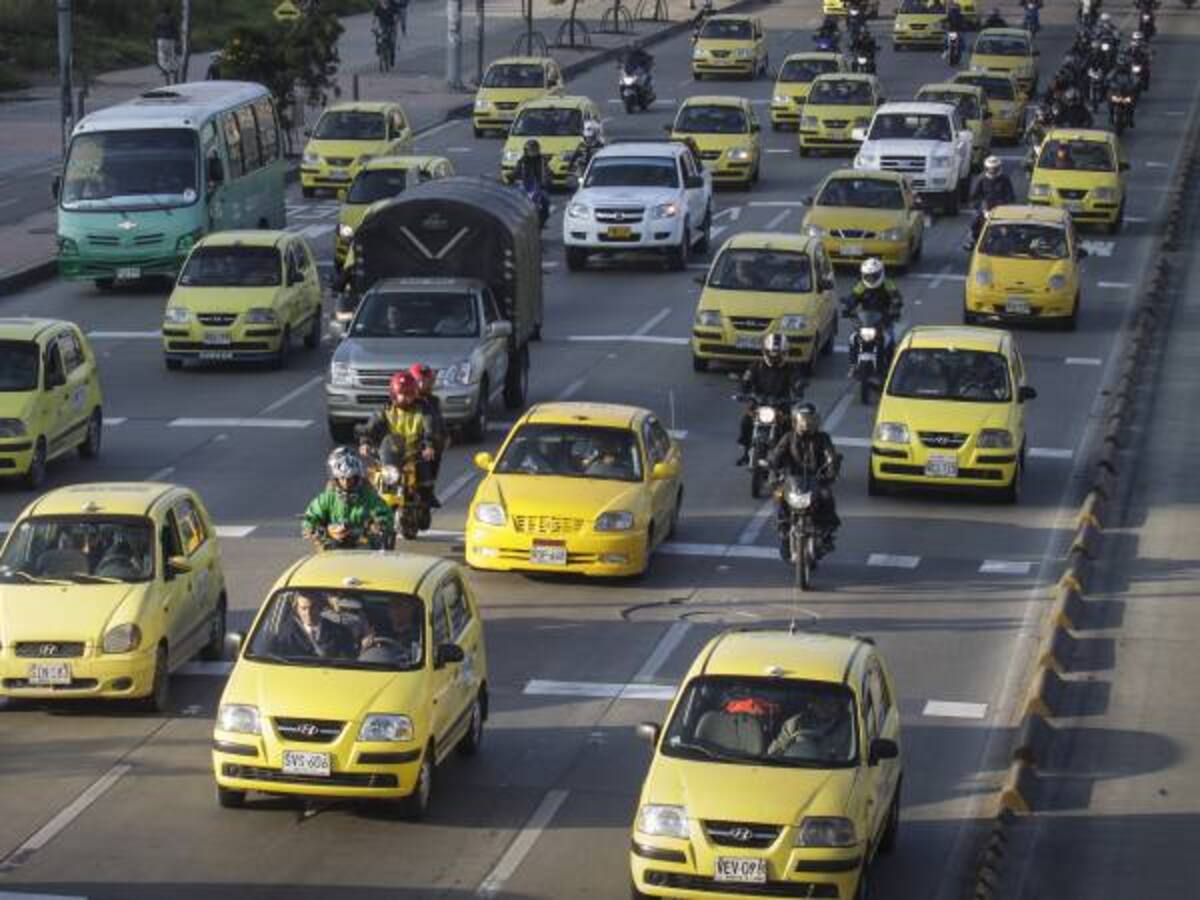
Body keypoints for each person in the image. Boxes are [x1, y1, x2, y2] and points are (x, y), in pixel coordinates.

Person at [768, 403, 842, 561]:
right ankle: (783, 531)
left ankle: (826, 533)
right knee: (778, 494)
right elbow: (777, 454)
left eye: (810, 419)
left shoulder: (823, 438)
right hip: (791, 480)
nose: (807, 423)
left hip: (816, 479)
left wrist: (832, 469)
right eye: (803, 420)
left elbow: (831, 455)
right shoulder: (788, 437)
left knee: (827, 496)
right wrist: (772, 464)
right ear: (795, 421)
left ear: (816, 420)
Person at [358, 371, 438, 512]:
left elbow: (430, 428)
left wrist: (429, 446)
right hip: (391, 454)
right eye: (402, 394)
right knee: (372, 477)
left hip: (414, 454)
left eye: (410, 394)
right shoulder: (386, 410)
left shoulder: (424, 410)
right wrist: (365, 442)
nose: (406, 398)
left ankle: (425, 503)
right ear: (394, 394)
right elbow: (370, 427)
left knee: (425, 475)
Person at [301, 447, 393, 550]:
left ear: (357, 477)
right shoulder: (327, 498)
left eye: (350, 478)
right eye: (342, 478)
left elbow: (387, 518)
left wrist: (368, 529)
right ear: (336, 478)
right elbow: (308, 522)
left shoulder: (369, 496)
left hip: (364, 552)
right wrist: (328, 531)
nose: (346, 483)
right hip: (332, 552)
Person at [736, 333, 806, 466]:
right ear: (765, 352)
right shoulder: (756, 366)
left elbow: (796, 381)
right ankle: (746, 452)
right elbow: (746, 380)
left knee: (789, 428)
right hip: (758, 404)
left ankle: (789, 456)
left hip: (781, 405)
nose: (775, 357)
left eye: (778, 354)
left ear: (784, 353)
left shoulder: (791, 368)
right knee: (745, 422)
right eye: (772, 354)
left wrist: (799, 388)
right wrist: (743, 392)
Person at [844, 258, 903, 370]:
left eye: (873, 276)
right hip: (866, 319)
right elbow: (853, 296)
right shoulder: (861, 285)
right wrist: (849, 305)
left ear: (880, 274)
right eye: (867, 276)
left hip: (884, 319)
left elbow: (896, 296)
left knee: (890, 339)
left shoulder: (888, 284)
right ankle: (853, 365)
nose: (870, 279)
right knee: (853, 338)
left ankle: (891, 368)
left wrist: (895, 307)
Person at [768, 691, 852, 760]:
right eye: (820, 702)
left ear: (839, 704)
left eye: (831, 703)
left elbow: (847, 757)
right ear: (811, 704)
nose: (824, 707)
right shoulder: (795, 723)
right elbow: (774, 753)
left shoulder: (848, 726)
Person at [271, 593, 357, 659]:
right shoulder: (286, 634)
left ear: (320, 607)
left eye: (313, 607)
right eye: (303, 608)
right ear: (296, 610)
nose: (308, 613)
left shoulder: (340, 632)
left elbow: (349, 660)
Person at [409, 363, 446, 506]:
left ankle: (428, 492)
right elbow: (384, 418)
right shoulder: (401, 399)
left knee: (432, 455)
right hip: (402, 442)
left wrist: (442, 436)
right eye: (418, 380)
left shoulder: (432, 401)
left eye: (425, 380)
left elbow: (434, 422)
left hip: (423, 442)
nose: (421, 384)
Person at [513, 139, 550, 220]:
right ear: (526, 151)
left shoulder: (542, 160)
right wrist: (512, 177)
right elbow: (516, 171)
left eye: (535, 150)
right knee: (515, 202)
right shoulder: (522, 161)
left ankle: (543, 220)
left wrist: (547, 180)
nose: (533, 152)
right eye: (531, 150)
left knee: (545, 200)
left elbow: (547, 171)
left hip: (539, 185)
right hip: (525, 186)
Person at [153, 4, 179, 85]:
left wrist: (153, 39)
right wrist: (178, 39)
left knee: (162, 57)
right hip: (170, 40)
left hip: (160, 40)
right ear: (169, 11)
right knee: (171, 57)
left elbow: (155, 29)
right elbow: (175, 29)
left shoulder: (158, 18)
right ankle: (174, 76)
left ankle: (166, 75)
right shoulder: (172, 18)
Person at [373, 0, 398, 69]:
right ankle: (379, 49)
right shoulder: (378, 7)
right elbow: (375, 18)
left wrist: (395, 24)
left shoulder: (392, 6)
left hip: (391, 26)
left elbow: (395, 16)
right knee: (378, 37)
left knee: (392, 42)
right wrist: (373, 26)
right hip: (382, 26)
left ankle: (392, 57)